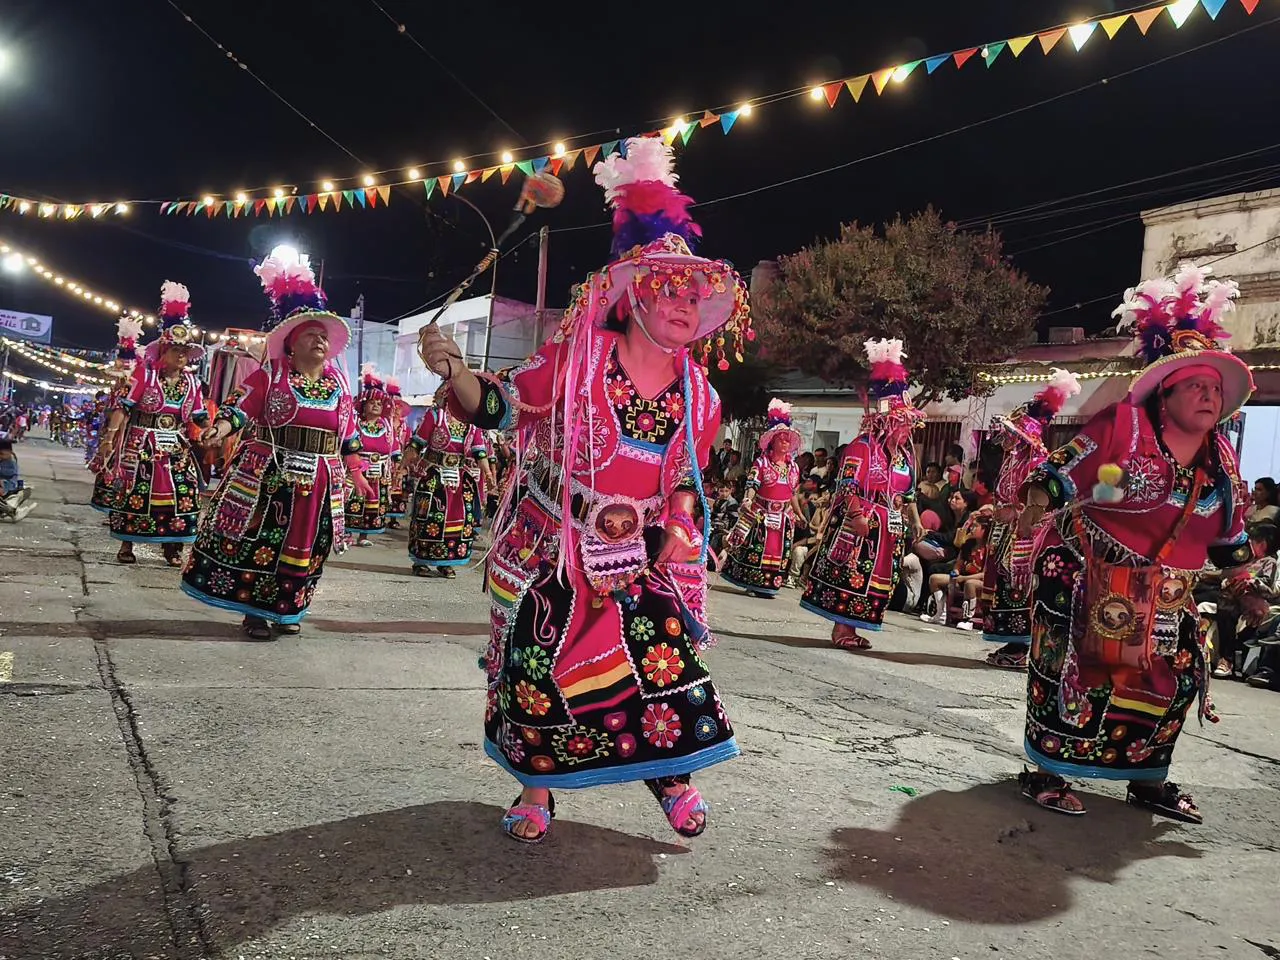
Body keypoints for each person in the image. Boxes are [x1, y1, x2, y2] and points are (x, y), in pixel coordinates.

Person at [417, 137, 746, 844]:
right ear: (634, 295)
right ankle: (537, 791)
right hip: (556, 544)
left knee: (664, 665)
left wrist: (678, 531)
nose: (686, 304)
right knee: (538, 667)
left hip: (642, 553)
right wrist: (455, 374)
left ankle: (674, 780)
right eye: (671, 289)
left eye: (695, 294)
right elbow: (502, 407)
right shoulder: (577, 359)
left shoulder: (701, 395)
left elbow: (686, 477)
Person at [1016, 263, 1258, 823]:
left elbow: (1230, 534)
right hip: (1085, 569)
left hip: (1167, 590)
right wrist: (1035, 503)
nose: (1206, 395)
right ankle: (1046, 768)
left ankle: (1147, 777)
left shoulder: (1221, 461)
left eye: (1214, 388)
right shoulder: (1121, 431)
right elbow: (1061, 472)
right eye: (1194, 385)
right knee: (1076, 674)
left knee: (1173, 680)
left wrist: (1247, 587)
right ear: (1164, 394)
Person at [182, 246, 373, 641]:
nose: (320, 341)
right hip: (272, 476)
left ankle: (288, 608)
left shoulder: (339, 384)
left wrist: (357, 472)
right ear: (290, 342)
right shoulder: (271, 376)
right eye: (311, 335)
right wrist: (220, 428)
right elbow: (239, 407)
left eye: (324, 337)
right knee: (263, 539)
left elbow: (349, 434)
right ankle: (255, 613)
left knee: (311, 544)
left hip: (322, 479)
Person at [802, 339, 925, 650]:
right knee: (854, 575)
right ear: (886, 421)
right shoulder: (863, 446)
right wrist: (857, 515)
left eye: (908, 425)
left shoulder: (904, 457)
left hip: (889, 530)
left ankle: (855, 626)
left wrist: (914, 520)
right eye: (902, 424)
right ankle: (842, 629)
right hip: (862, 528)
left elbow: (907, 493)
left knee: (876, 581)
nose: (907, 430)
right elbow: (847, 485)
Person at [94, 282, 208, 567]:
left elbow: (198, 416)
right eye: (175, 350)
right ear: (163, 351)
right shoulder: (144, 377)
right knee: (136, 491)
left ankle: (172, 547)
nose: (180, 355)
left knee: (183, 492)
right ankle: (126, 543)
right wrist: (109, 439)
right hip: (141, 443)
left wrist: (214, 430)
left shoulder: (192, 383)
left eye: (184, 351)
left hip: (175, 445)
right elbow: (123, 407)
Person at [979, 370, 1081, 669]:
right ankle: (1011, 643)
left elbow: (1040, 504)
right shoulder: (1013, 458)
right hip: (1006, 531)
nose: (1007, 438)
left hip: (1026, 534)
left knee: (1022, 586)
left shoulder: (1038, 461)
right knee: (1005, 585)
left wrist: (1017, 513)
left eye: (1013, 432)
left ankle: (1022, 646)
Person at [401, 384, 489, 578]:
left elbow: (479, 451)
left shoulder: (472, 424)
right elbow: (417, 443)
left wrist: (489, 475)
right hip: (434, 476)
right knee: (431, 517)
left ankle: (447, 561)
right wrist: (401, 468)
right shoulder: (435, 417)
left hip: (459, 478)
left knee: (459, 518)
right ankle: (421, 561)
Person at [721, 399, 804, 598]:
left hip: (783, 516)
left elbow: (793, 493)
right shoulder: (762, 463)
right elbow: (752, 486)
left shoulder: (793, 467)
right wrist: (748, 500)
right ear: (772, 442)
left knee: (777, 552)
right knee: (758, 548)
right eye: (781, 439)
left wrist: (799, 514)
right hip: (762, 513)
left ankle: (770, 585)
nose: (785, 443)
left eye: (787, 440)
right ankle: (752, 581)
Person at [89, 318, 146, 516]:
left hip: (127, 434)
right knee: (113, 470)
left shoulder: (130, 387)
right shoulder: (119, 389)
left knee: (122, 471)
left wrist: (111, 436)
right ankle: (115, 509)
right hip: (117, 430)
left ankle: (120, 510)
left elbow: (123, 410)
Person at [345, 365, 399, 546]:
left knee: (373, 504)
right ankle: (347, 533)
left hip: (379, 472)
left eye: (379, 403)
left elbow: (395, 449)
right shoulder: (356, 424)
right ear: (364, 405)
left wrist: (398, 467)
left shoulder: (387, 427)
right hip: (359, 470)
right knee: (354, 501)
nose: (376, 405)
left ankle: (364, 536)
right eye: (372, 402)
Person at [385, 377, 412, 528]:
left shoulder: (405, 428)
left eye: (398, 407)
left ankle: (393, 519)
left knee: (398, 489)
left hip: (399, 461)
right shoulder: (383, 424)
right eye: (393, 407)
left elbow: (409, 445)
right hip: (384, 461)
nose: (395, 410)